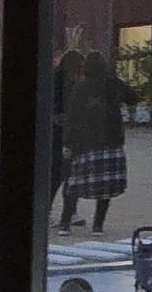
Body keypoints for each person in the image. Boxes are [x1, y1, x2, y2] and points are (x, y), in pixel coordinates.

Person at [60, 50, 139, 235]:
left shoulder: (81, 88)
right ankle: (98, 225)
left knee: (75, 183)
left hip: (86, 142)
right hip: (112, 141)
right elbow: (134, 97)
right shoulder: (114, 83)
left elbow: (72, 117)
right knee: (106, 186)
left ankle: (65, 223)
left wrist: (68, 143)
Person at [50, 50, 85, 223]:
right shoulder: (59, 81)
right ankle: (51, 211)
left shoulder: (75, 83)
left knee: (70, 175)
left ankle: (70, 211)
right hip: (59, 134)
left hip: (69, 133)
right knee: (58, 175)